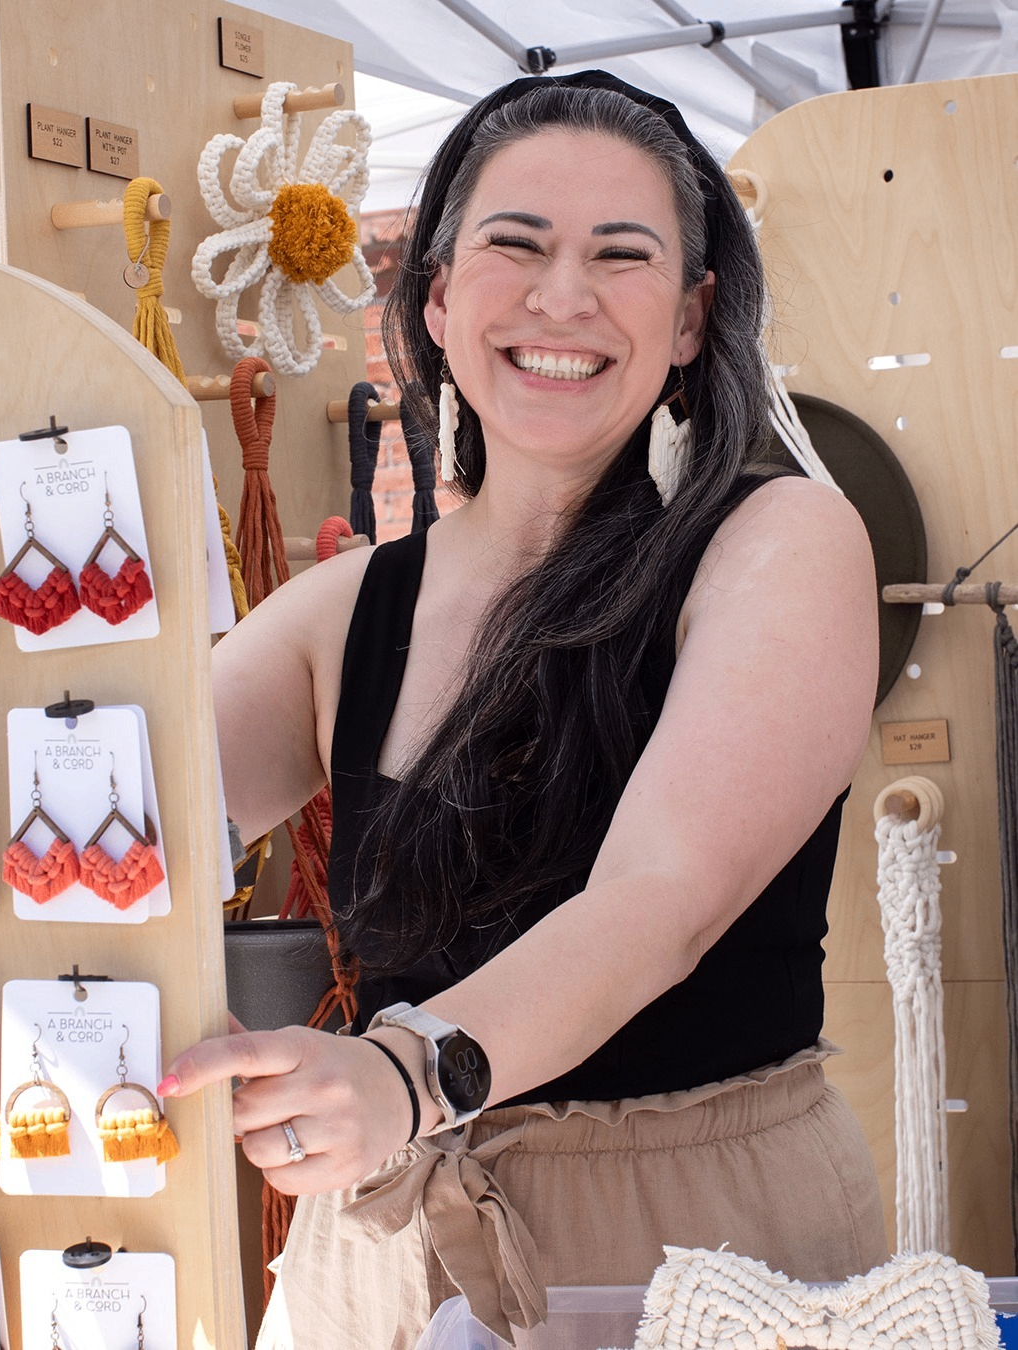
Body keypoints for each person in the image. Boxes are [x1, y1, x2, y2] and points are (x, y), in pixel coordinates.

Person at [159, 71, 888, 1348]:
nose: (564, 297)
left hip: (695, 1253)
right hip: (381, 1258)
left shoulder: (783, 544)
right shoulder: (345, 610)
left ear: (688, 319)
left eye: (622, 255)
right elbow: (121, 811)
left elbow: (652, 907)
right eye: (516, 245)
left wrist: (404, 1070)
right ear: (436, 297)